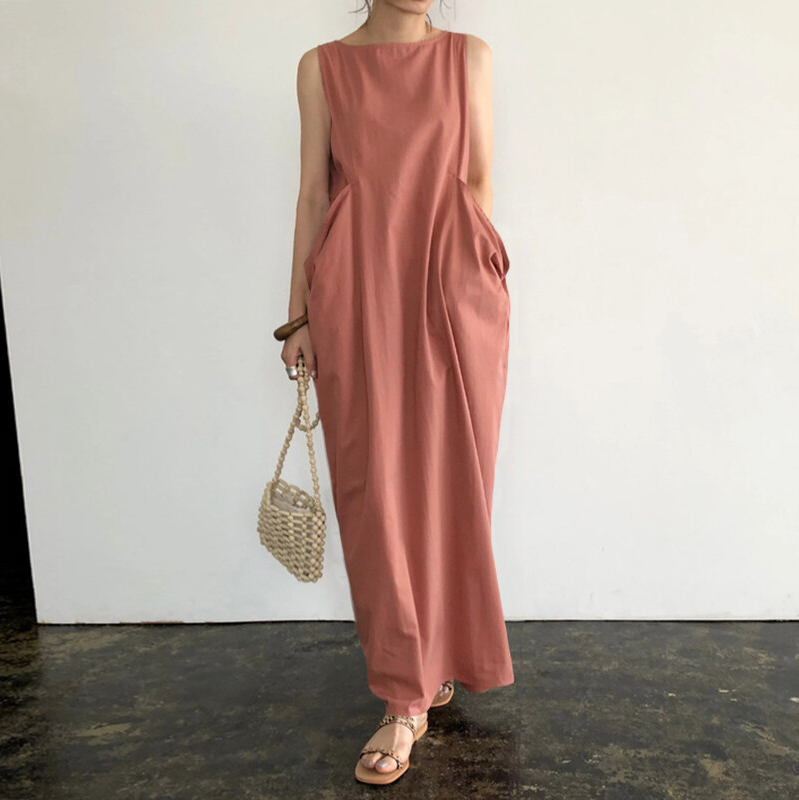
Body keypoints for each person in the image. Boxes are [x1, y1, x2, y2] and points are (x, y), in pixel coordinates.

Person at [279, 0, 513, 785]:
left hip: (454, 293)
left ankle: (432, 658)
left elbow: (477, 180)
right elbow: (314, 194)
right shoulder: (322, 68)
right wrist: (298, 317)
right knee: (375, 491)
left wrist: (462, 275)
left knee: (452, 486)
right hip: (358, 292)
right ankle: (403, 695)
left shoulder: (469, 56)